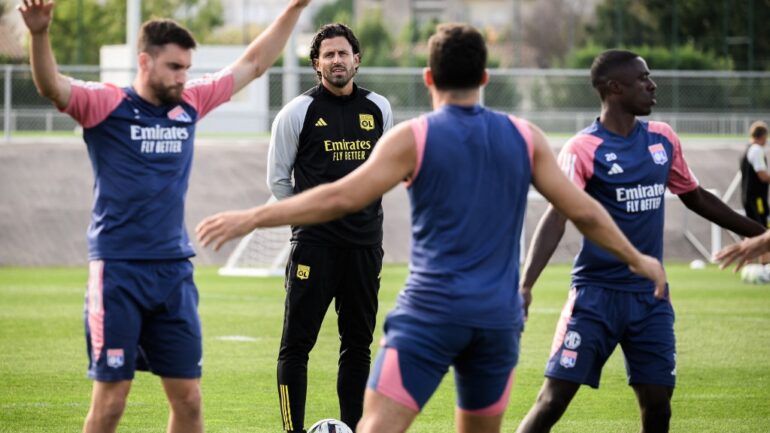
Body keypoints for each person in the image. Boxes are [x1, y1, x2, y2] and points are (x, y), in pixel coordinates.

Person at [196, 25, 666, 433]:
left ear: (428, 79)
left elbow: (341, 196)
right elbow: (583, 211)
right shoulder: (526, 137)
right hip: (496, 318)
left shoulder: (412, 137)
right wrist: (639, 258)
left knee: (375, 422)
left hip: (430, 316)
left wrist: (253, 217)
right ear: (484, 78)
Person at [17, 0, 311, 432]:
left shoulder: (189, 102)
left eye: (187, 67)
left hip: (173, 273)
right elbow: (52, 87)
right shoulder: (106, 104)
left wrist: (295, 7)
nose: (182, 77)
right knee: (112, 401)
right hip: (118, 272)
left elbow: (253, 63)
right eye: (174, 66)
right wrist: (39, 34)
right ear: (144, 61)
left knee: (189, 400)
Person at [515, 49, 767, 433]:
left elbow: (695, 196)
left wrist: (761, 234)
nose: (653, 86)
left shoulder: (662, 139)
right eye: (643, 79)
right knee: (552, 400)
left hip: (651, 298)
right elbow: (557, 216)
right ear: (615, 88)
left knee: (658, 405)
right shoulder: (584, 149)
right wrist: (526, 285)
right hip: (595, 297)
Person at [264, 23, 392, 433]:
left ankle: (355, 428)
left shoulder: (379, 109)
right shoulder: (296, 113)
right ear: (316, 64)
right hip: (314, 248)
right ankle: (292, 430)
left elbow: (385, 172)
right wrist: (309, 217)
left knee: (357, 347)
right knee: (296, 347)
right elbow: (278, 181)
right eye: (328, 55)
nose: (337, 60)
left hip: (364, 248)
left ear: (357, 59)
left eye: (344, 53)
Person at [740, 121, 770, 227]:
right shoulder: (757, 150)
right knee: (761, 229)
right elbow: (762, 175)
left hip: (749, 197)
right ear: (763, 136)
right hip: (757, 199)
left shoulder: (749, 148)